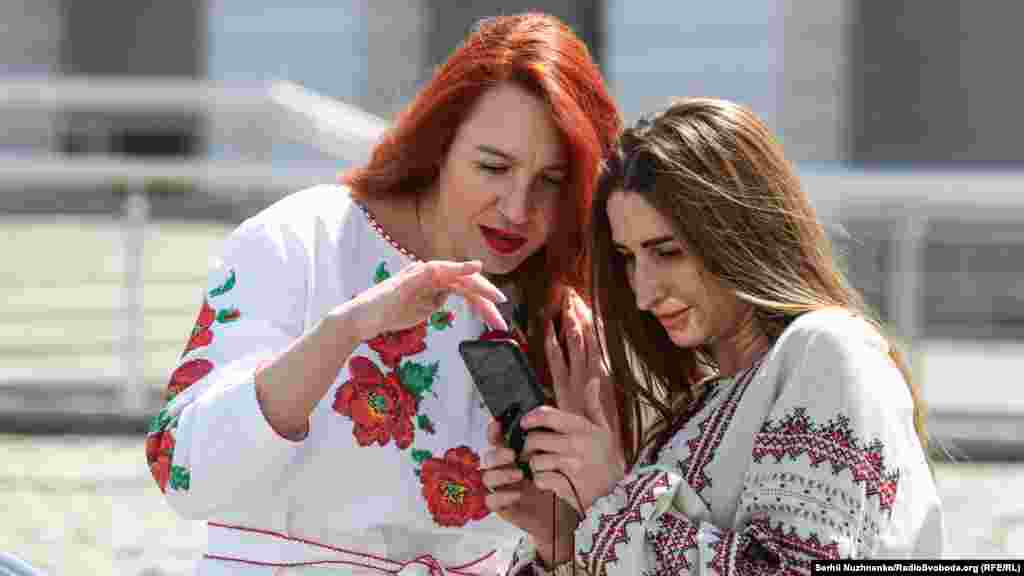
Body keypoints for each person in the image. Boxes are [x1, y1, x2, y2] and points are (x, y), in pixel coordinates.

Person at [144, 13, 621, 575]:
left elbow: (591, 551)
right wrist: (345, 331)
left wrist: (562, 522)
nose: (518, 209)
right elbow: (185, 475)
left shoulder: (567, 318)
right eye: (493, 167)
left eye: (551, 181)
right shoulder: (301, 239)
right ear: (439, 144)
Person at [485, 98, 943, 575]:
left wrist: (613, 499)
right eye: (628, 258)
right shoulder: (689, 412)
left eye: (667, 251)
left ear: (740, 232)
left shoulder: (828, 350)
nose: (643, 293)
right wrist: (561, 534)